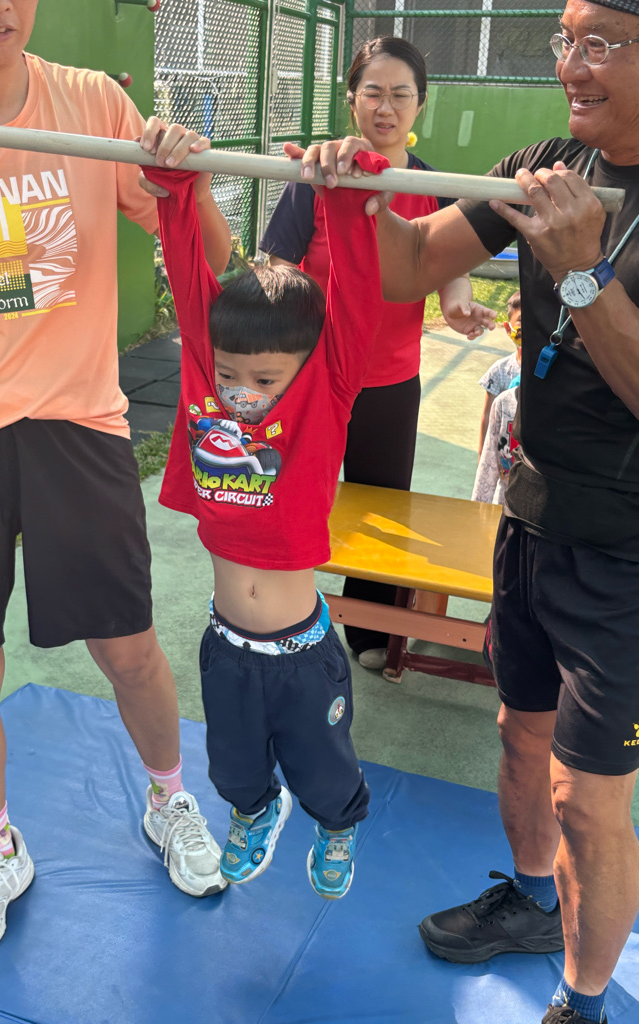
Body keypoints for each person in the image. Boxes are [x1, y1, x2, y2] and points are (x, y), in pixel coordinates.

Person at [295, 0, 639, 1019]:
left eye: (601, 44)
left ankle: (584, 1001)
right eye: (566, 41)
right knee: (520, 736)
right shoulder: (544, 164)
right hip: (531, 518)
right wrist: (358, 190)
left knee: (589, 798)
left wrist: (583, 272)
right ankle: (532, 900)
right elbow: (409, 263)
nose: (572, 65)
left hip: (626, 552)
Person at [0, 0, 233, 960]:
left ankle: (170, 800)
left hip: (75, 415)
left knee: (129, 647)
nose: (1, 7)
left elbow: (212, 259)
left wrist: (187, 184)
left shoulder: (91, 102)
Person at [141, 149, 394, 900]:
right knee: (233, 768)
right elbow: (190, 282)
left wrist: (341, 203)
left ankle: (338, 824)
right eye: (228, 375)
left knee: (324, 769)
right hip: (227, 646)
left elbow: (356, 304)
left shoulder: (323, 396)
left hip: (302, 654)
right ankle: (255, 813)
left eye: (262, 380)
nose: (240, 393)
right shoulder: (206, 383)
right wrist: (178, 191)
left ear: (306, 368)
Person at [260, 37, 496, 672]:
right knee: (291, 488)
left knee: (380, 501)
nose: (385, 107)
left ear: (421, 103)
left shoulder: (432, 185)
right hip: (312, 376)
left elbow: (449, 266)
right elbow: (277, 267)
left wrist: (457, 304)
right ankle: (274, 607)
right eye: (372, 93)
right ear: (351, 100)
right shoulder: (318, 176)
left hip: (390, 379)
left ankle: (368, 629)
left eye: (400, 94)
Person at [478, 290, 522, 454]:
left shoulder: (553, 371)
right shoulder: (499, 371)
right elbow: (487, 416)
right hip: (506, 455)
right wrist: (482, 456)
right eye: (521, 321)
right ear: (508, 328)